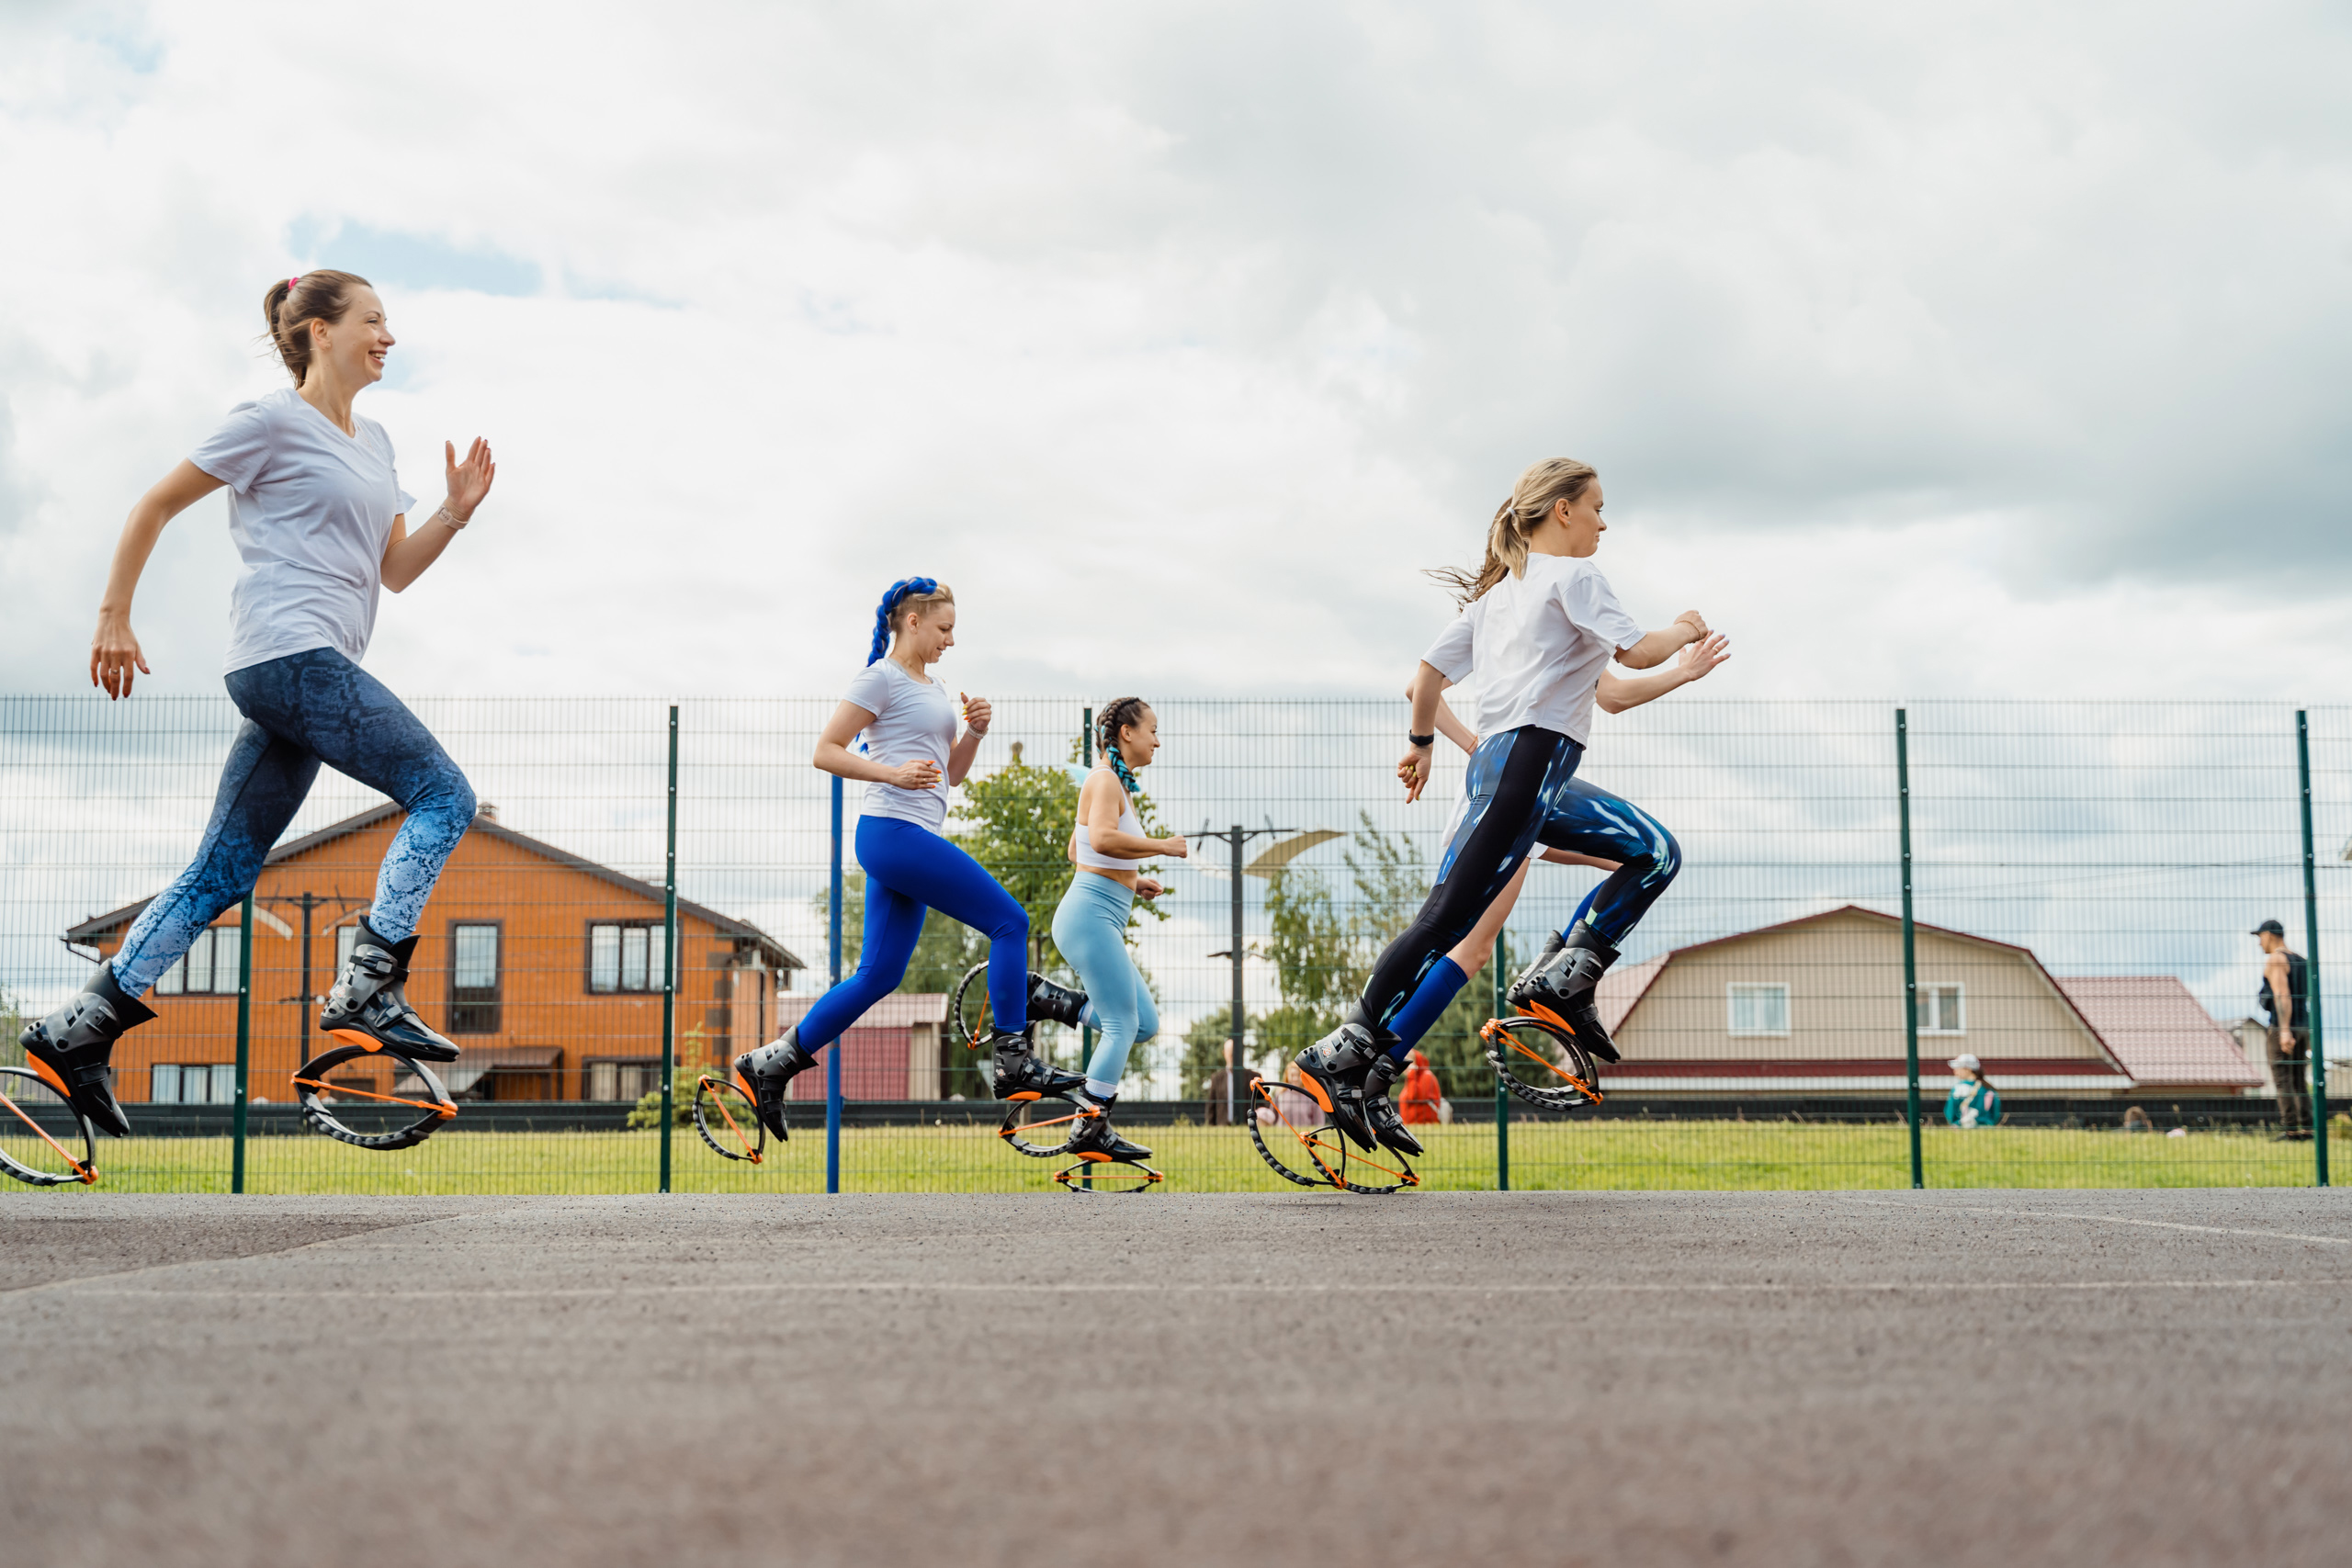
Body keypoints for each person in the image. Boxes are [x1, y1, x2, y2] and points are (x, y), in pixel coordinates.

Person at [19, 272, 495, 1138]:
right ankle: (369, 981)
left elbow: (393, 570)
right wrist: (113, 613)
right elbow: (154, 504)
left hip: (304, 670)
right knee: (444, 793)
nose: (390, 336)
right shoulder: (269, 421)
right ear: (318, 331)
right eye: (374, 321)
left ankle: (80, 1028)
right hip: (287, 653)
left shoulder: (378, 440)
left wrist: (456, 515)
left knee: (223, 872)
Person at [1294, 457, 1709, 1155]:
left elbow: (1428, 676)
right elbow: (1637, 654)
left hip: (1530, 775)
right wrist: (1685, 628)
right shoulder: (1575, 578)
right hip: (1521, 769)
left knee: (1654, 851)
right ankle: (1344, 1055)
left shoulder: (1501, 602)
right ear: (1563, 510)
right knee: (1447, 922)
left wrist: (1423, 741)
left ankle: (1566, 979)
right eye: (1598, 507)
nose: (1605, 522)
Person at [733, 579, 1083, 1139]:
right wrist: (891, 773)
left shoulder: (933, 685)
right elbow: (825, 751)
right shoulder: (880, 677)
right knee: (1009, 922)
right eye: (944, 629)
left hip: (908, 835)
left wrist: (973, 733)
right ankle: (1013, 1059)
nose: (950, 640)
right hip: (891, 832)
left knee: (879, 975)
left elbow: (951, 775)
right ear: (912, 621)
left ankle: (771, 1062)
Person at [1049, 696, 1188, 1164]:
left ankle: (1048, 1001)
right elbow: (1103, 839)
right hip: (1088, 917)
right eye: (1152, 729)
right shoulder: (1105, 779)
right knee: (1122, 1024)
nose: (1157, 739)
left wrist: (1132, 878)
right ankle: (1090, 1125)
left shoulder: (1111, 783)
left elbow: (1078, 848)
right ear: (1127, 733)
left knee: (1143, 1024)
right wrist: (1161, 848)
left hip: (1095, 913)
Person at [2254, 919, 2312, 1140]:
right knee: (2299, 1079)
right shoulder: (2301, 961)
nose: (2259, 943)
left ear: (2269, 935)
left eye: (2260, 937)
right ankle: (2307, 1129)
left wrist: (2284, 1030)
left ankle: (2291, 1130)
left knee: (2283, 1080)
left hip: (2283, 1027)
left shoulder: (2276, 959)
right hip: (2304, 1026)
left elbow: (2282, 995)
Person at [1943, 1054, 2003, 1128]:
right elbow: (1995, 1113)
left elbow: (1950, 1111)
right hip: (1986, 1128)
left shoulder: (1957, 1089)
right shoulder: (1988, 1088)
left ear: (1968, 1069)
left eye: (1958, 1068)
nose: (1955, 1071)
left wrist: (1954, 1123)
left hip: (1962, 1128)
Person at [1398, 1050, 1443, 1126]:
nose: (1405, 1065)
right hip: (1410, 1125)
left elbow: (1413, 1096)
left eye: (1408, 1061)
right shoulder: (1412, 1078)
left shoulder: (1426, 1076)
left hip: (1424, 1125)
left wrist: (1412, 1073)